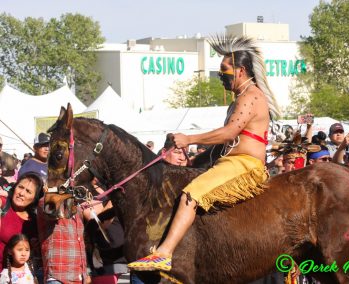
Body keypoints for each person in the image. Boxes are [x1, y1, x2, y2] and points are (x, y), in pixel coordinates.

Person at [128, 35, 280, 271]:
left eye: (224, 70)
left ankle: (165, 253)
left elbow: (229, 133)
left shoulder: (251, 96)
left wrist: (189, 138)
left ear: (240, 71)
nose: (220, 76)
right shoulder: (239, 99)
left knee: (192, 194)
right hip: (230, 162)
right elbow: (224, 143)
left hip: (245, 166)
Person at [83, 178, 128, 284]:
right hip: (106, 264)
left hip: (126, 258)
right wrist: (113, 200)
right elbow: (98, 223)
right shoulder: (85, 191)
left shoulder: (109, 187)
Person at [37, 196, 87, 284]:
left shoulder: (78, 208)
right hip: (57, 277)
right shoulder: (45, 200)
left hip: (78, 277)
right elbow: (52, 213)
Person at [0, 172, 42, 270]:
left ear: (34, 199)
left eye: (28, 191)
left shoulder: (33, 222)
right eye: (20, 187)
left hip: (13, 277)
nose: (21, 193)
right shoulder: (3, 204)